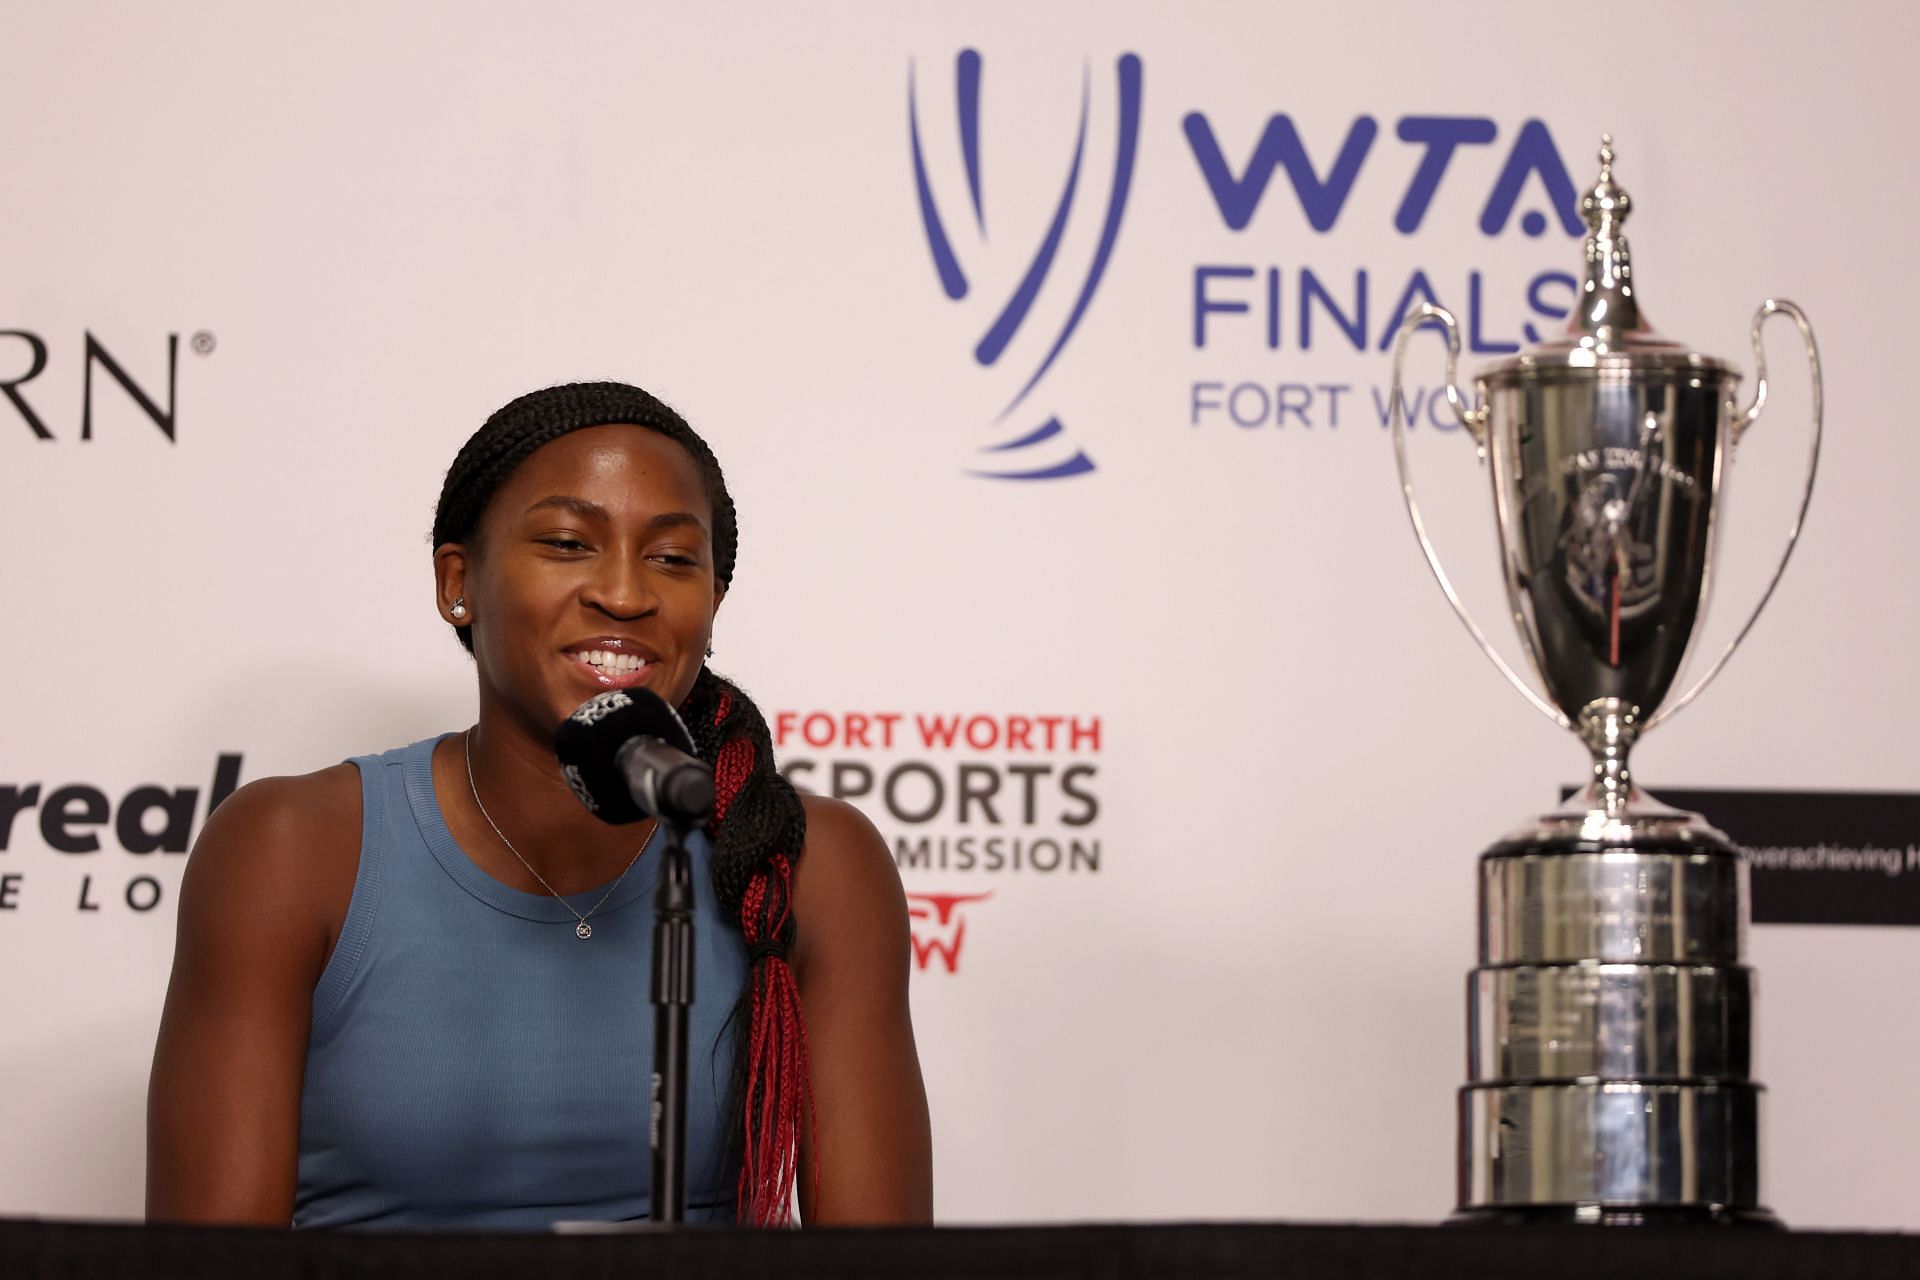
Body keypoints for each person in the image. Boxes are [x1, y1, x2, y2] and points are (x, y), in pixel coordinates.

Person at [146, 382, 932, 1228]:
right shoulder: (291, 849)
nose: (626, 593)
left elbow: (876, 1265)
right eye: (567, 543)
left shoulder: (812, 862)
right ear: (459, 582)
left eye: (672, 558)